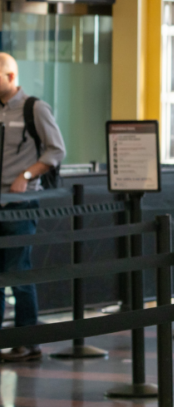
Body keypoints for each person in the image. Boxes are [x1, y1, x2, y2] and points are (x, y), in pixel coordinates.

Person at [0, 53, 66, 362]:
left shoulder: (34, 108)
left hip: (20, 206)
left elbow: (56, 150)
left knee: (17, 271)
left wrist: (25, 176)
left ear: (11, 77)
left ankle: (28, 341)